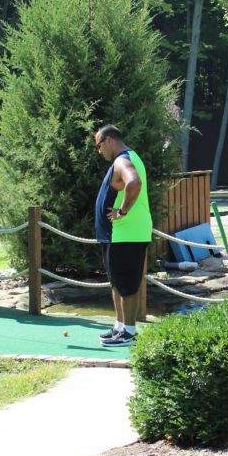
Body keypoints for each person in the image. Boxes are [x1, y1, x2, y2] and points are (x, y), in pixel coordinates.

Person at [95, 125, 152, 347]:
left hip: (126, 233)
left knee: (127, 285)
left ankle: (129, 332)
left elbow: (134, 182)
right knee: (117, 283)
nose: (99, 151)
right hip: (117, 235)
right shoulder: (128, 157)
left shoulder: (122, 160)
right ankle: (120, 326)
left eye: (99, 145)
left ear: (109, 140)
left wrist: (122, 211)